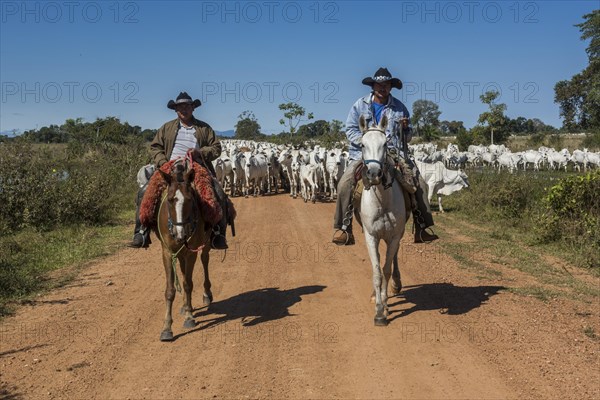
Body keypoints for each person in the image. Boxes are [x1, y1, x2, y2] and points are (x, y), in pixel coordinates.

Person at [332, 67, 439, 245]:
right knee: (345, 183)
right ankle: (343, 228)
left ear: (391, 87)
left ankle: (422, 227)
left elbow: (409, 137)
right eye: (379, 84)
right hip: (364, 152)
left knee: (420, 183)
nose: (383, 88)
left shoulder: (400, 108)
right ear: (373, 86)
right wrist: (366, 141)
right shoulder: (360, 105)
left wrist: (405, 130)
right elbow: (350, 129)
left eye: (386, 84)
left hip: (393, 152)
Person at [128, 91, 229, 250]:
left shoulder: (204, 128)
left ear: (193, 108)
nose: (184, 109)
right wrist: (163, 162)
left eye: (187, 106)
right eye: (180, 106)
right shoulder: (166, 128)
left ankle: (218, 233)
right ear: (176, 109)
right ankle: (141, 231)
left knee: (217, 191)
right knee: (145, 191)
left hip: (195, 167)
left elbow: (216, 148)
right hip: (170, 166)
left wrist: (200, 153)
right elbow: (155, 147)